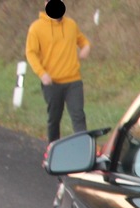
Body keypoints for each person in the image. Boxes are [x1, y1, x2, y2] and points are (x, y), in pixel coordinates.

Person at [25, 0, 91, 143]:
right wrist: (42, 73)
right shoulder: (36, 28)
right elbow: (31, 53)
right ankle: (53, 150)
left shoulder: (71, 25)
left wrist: (86, 48)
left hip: (73, 80)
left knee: (78, 115)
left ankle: (83, 149)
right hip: (52, 82)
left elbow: (83, 41)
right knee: (54, 119)